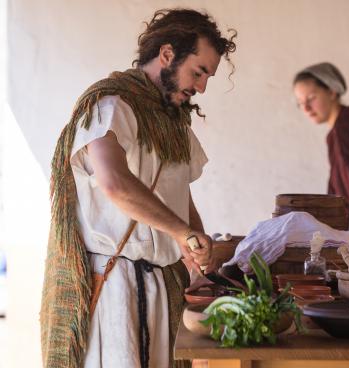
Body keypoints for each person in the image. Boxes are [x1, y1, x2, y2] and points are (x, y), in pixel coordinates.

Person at [40, 9, 236, 368]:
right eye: (199, 71)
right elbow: (115, 183)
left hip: (163, 288)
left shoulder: (174, 124)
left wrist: (196, 249)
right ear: (166, 55)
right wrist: (182, 231)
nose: (203, 86)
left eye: (208, 75)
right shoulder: (110, 106)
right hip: (115, 287)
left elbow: (179, 193)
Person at [293, 63, 349, 213]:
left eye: (311, 98)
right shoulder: (343, 125)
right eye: (300, 103)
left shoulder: (345, 126)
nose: (306, 108)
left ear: (332, 92)